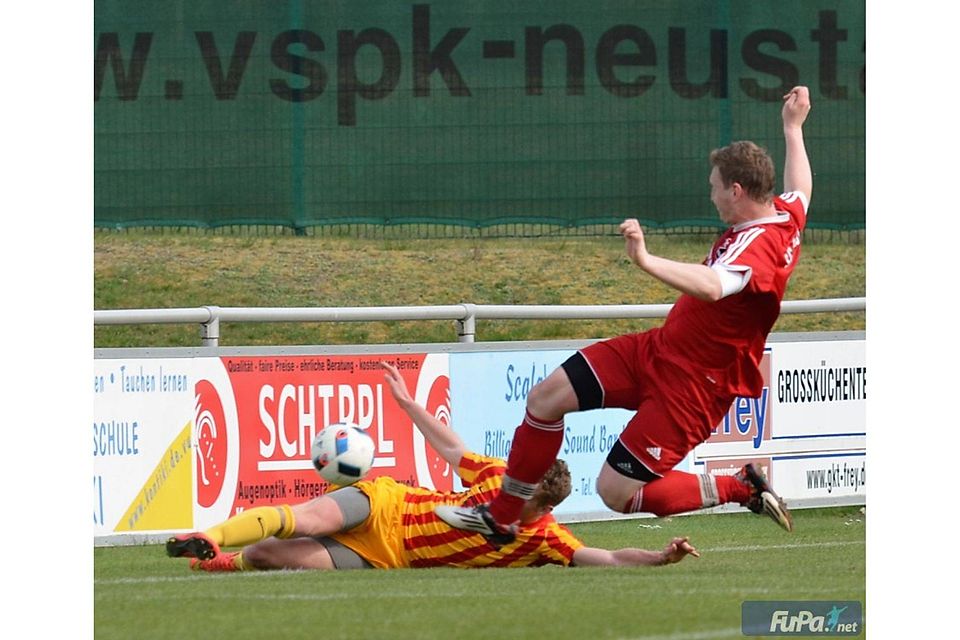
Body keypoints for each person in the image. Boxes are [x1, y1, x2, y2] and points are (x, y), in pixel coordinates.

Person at [437, 86, 813, 542]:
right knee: (545, 399)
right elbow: (802, 189)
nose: (710, 194)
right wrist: (793, 128)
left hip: (693, 390)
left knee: (614, 492)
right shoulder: (783, 215)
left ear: (737, 190)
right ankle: (503, 515)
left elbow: (714, 286)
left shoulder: (761, 246)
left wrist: (646, 260)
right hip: (658, 350)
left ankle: (740, 489)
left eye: (714, 187)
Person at [165, 362, 700, 571]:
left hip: (389, 557)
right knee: (306, 519)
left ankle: (221, 559)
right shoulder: (499, 474)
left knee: (267, 555)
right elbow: (450, 448)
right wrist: (409, 406)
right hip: (387, 505)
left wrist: (659, 557)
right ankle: (207, 539)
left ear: (544, 502)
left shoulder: (545, 540)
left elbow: (605, 555)